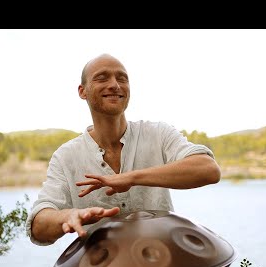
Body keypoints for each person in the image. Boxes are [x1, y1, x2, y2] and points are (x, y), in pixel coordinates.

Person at [26, 53, 221, 246]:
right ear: (82, 91)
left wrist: (131, 177)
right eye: (102, 78)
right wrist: (67, 216)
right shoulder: (66, 156)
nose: (115, 85)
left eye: (122, 79)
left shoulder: (158, 133)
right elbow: (38, 226)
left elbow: (208, 170)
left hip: (163, 264)